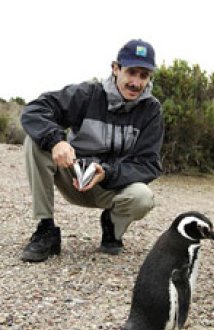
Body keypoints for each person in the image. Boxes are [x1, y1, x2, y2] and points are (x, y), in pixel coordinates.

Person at [20, 39, 164, 262]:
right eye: (131, 72)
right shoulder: (88, 94)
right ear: (116, 69)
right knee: (35, 142)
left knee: (143, 197)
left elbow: (149, 164)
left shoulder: (151, 110)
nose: (136, 82)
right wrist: (57, 141)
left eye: (143, 76)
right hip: (74, 174)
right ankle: (45, 228)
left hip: (111, 184)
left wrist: (107, 172)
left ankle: (112, 227)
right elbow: (34, 110)